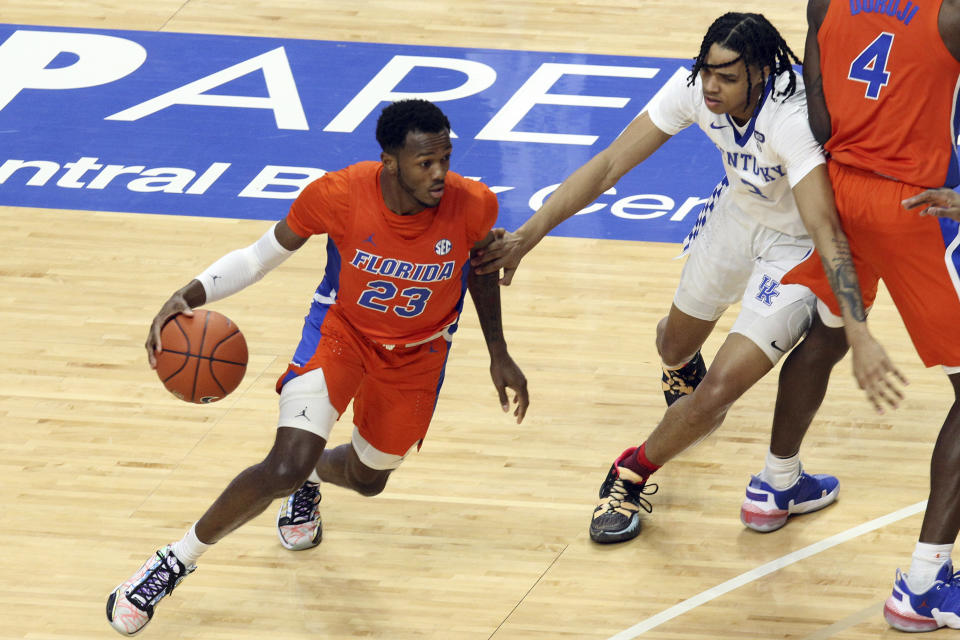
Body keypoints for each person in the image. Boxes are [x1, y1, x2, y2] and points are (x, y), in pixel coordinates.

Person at [472, 12, 902, 544]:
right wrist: (528, 235)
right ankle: (681, 368)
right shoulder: (693, 89)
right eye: (707, 72)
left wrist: (857, 332)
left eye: (727, 76)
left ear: (762, 73)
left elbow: (824, 228)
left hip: (792, 252)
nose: (711, 86)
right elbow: (608, 166)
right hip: (735, 217)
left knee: (717, 393)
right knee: (671, 344)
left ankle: (628, 476)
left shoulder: (793, 122)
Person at [105, 99, 529, 636]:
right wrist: (187, 293)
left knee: (369, 479)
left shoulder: (474, 205)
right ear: (390, 160)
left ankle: (309, 477)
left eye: (446, 157)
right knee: (282, 464)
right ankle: (172, 561)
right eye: (426, 162)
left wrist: (499, 352)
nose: (441, 173)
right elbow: (260, 256)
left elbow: (481, 271)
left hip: (419, 355)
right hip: (340, 335)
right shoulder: (339, 193)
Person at [780, 0, 960, 632]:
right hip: (916, 205)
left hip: (840, 188)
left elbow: (820, 117)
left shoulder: (825, 2)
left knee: (827, 329)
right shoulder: (950, 16)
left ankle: (775, 483)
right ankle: (923, 583)